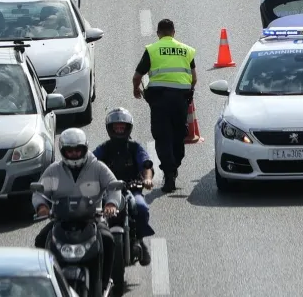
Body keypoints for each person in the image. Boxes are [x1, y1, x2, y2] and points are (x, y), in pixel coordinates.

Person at [33, 128, 121, 285]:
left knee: (108, 240)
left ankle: (105, 281)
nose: (74, 154)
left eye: (78, 150)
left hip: (92, 220)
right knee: (41, 240)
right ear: (63, 151)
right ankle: (47, 283)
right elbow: (39, 192)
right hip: (61, 222)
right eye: (70, 151)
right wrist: (41, 206)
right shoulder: (53, 170)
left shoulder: (98, 168)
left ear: (85, 148)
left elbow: (113, 186)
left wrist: (111, 204)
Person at [133, 19, 196, 192]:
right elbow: (194, 78)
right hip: (180, 100)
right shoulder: (186, 50)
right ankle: (173, 167)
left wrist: (136, 89)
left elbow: (137, 76)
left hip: (159, 100)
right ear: (174, 32)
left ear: (158, 34)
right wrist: (188, 92)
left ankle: (169, 172)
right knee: (178, 136)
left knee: (162, 137)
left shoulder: (152, 49)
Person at [92, 107, 155, 264]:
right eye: (116, 127)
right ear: (110, 128)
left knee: (141, 207)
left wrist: (147, 179)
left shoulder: (135, 147)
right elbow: (90, 163)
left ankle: (139, 240)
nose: (119, 130)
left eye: (122, 127)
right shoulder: (104, 148)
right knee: (93, 212)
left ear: (128, 128)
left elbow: (146, 165)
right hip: (107, 192)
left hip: (131, 190)